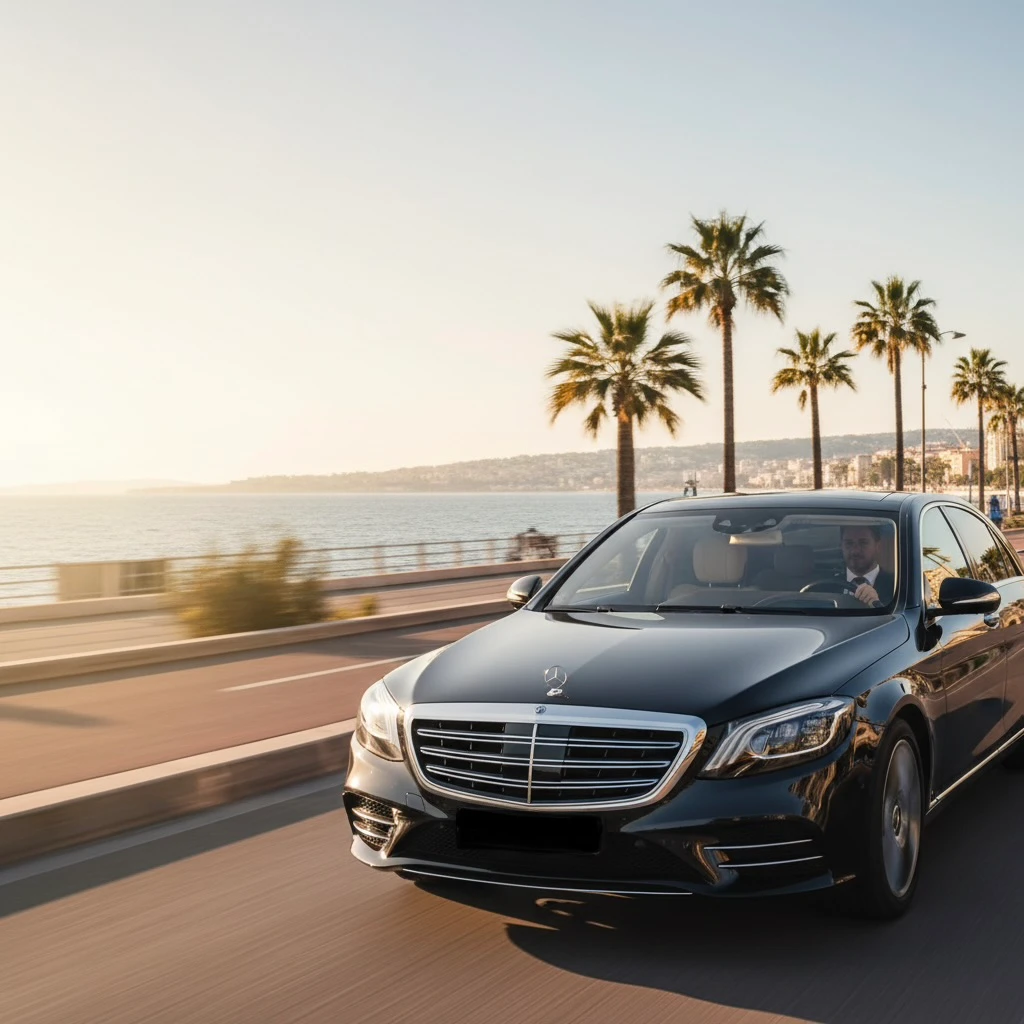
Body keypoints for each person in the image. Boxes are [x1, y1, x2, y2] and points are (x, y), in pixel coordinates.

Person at [838, 523, 895, 607]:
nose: (855, 551)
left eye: (863, 543)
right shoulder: (825, 586)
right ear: (841, 546)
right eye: (849, 543)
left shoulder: (896, 586)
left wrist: (877, 604)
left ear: (878, 546)